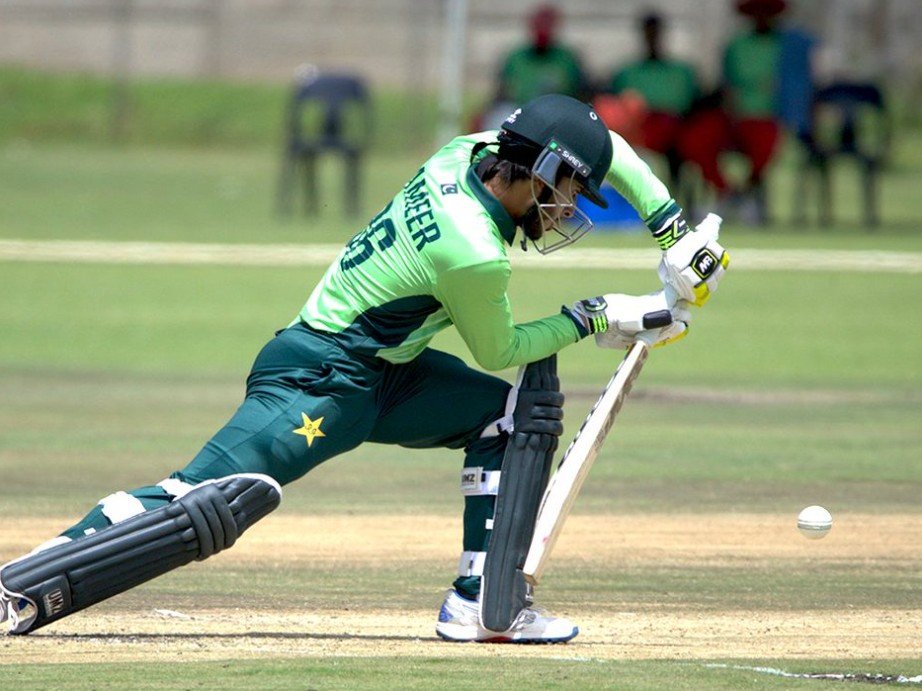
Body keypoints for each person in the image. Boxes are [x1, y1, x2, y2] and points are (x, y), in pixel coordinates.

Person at [0, 94, 728, 643]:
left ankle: (481, 600)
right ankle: (23, 583)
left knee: (507, 416)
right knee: (204, 496)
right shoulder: (469, 247)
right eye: (568, 189)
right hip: (318, 375)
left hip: (387, 372)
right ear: (538, 169)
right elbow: (501, 348)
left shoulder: (471, 148)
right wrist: (600, 314)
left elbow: (612, 149)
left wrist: (673, 231)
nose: (569, 207)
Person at [677, 0, 788, 224]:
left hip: (767, 119)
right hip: (734, 117)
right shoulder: (736, 45)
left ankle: (745, 195)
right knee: (695, 139)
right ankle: (726, 192)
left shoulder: (786, 47)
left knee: (766, 143)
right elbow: (726, 84)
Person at [606, 12, 701, 186]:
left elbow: (694, 102)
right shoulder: (627, 73)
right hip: (642, 128)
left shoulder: (681, 71)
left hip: (677, 127)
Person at [472, 4, 588, 131]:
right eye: (539, 25)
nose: (543, 30)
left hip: (558, 116)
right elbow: (499, 95)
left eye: (547, 25)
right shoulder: (515, 57)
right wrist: (484, 113)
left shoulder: (568, 59)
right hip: (519, 112)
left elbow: (584, 94)